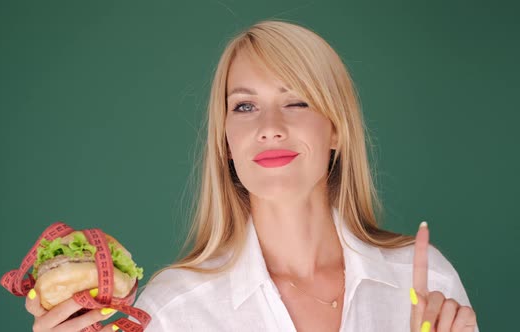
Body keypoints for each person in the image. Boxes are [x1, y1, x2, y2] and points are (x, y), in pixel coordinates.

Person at [25, 19, 478, 332]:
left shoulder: (426, 284)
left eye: (296, 101)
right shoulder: (172, 311)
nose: (269, 127)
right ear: (225, 141)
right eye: (245, 106)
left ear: (336, 129)